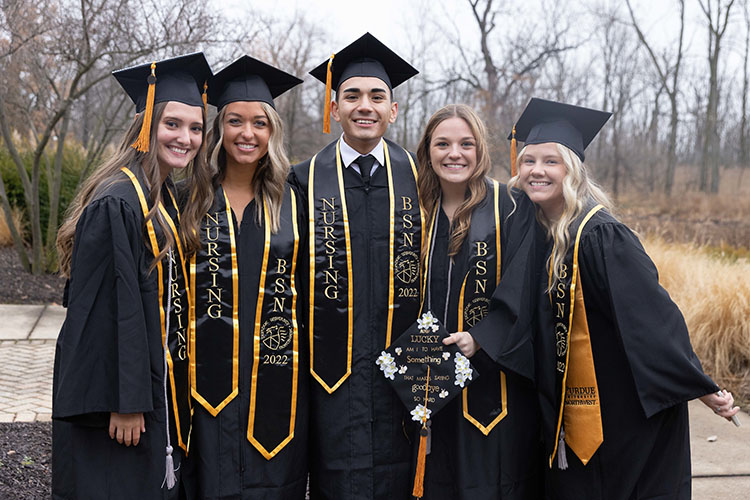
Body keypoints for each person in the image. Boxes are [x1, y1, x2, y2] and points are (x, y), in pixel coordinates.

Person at [508, 97, 740, 500]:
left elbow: (652, 319)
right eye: (529, 161)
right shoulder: (531, 230)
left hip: (617, 414)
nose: (537, 171)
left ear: (573, 170)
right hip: (561, 408)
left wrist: (699, 385)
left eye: (551, 161)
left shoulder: (600, 235)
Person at [52, 52, 213, 499]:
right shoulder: (119, 202)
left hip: (147, 387)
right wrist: (125, 402)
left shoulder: (159, 197)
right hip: (122, 405)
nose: (185, 137)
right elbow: (104, 312)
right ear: (145, 126)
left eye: (196, 128)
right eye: (172, 124)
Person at [288, 33, 424, 499]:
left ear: (393, 110)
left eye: (377, 96)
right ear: (334, 107)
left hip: (403, 373)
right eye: (351, 95)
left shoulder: (419, 179)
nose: (364, 105)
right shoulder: (302, 181)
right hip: (329, 378)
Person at [187, 55, 307, 499]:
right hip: (203, 386)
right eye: (235, 121)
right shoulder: (189, 199)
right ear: (219, 129)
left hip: (276, 382)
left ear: (272, 130)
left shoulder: (294, 203)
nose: (247, 133)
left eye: (260, 123)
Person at [414, 104, 542, 499]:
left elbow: (526, 285)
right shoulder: (412, 209)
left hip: (493, 383)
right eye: (443, 144)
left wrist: (481, 337)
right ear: (428, 151)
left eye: (466, 144)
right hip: (426, 378)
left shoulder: (513, 207)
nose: (455, 153)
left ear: (481, 149)